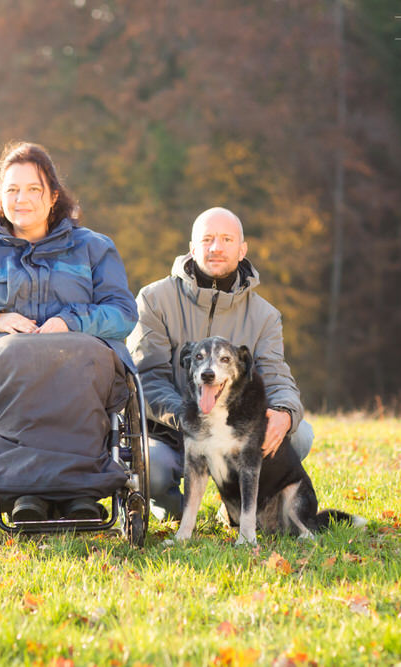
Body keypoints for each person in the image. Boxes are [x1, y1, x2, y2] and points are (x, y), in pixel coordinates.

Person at [0, 141, 139, 524]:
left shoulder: (94, 248)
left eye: (33, 189)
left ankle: (82, 490)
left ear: (54, 196)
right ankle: (22, 489)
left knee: (80, 355)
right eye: (12, 190)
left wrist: (72, 322)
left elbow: (122, 314)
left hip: (82, 355)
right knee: (16, 354)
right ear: (0, 196)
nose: (21, 199)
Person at [127, 207, 314, 521]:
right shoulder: (153, 300)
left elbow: (277, 377)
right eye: (208, 239)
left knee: (299, 434)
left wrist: (284, 412)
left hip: (235, 430)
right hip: (171, 429)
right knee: (152, 468)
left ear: (242, 250)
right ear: (192, 248)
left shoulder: (264, 315)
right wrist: (189, 416)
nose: (216, 247)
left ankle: (238, 506)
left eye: (226, 239)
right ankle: (171, 508)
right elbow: (146, 377)